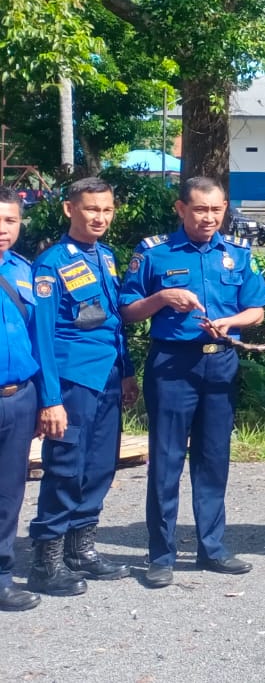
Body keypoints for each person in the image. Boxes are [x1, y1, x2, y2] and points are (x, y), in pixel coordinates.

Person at [120, 177, 265, 587]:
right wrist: (162, 298)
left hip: (220, 362)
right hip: (172, 364)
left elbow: (256, 309)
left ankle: (212, 548)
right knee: (166, 460)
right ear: (181, 209)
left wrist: (231, 322)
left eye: (216, 209)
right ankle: (161, 555)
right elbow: (128, 310)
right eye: (201, 209)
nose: (209, 218)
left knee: (213, 458)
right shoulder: (154, 253)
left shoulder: (237, 253)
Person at [28, 178, 137, 594]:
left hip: (107, 377)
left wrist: (127, 371)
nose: (101, 218)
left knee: (100, 466)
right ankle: (46, 560)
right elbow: (42, 336)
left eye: (107, 210)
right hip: (73, 382)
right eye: (92, 209)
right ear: (69, 210)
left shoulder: (106, 257)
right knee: (65, 467)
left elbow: (113, 322)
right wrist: (50, 399)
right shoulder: (51, 264)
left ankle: (80, 549)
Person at [0, 187, 65, 610]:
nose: (2, 229)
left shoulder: (25, 273)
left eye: (10, 220)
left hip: (17, 399)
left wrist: (48, 400)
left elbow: (41, 343)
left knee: (8, 494)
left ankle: (2, 577)